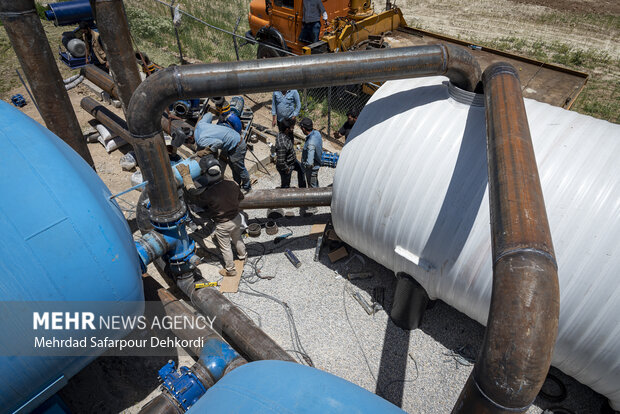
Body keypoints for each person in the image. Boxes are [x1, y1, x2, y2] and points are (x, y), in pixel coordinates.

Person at [176, 156, 247, 277]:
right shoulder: (232, 184)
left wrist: (186, 177)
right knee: (237, 238)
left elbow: (194, 193)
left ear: (205, 173)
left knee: (225, 248)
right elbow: (241, 198)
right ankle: (243, 257)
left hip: (223, 224)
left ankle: (230, 270)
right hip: (236, 218)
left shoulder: (208, 193)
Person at [194, 112, 251, 192]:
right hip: (234, 140)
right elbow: (209, 114)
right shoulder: (201, 124)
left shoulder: (201, 140)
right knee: (233, 166)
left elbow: (218, 143)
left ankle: (247, 187)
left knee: (239, 168)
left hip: (237, 145)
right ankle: (237, 185)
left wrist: (209, 150)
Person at [275, 118, 306, 189]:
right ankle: (284, 197)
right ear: (287, 129)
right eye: (292, 127)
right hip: (286, 166)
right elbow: (280, 161)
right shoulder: (282, 144)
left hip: (292, 161)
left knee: (301, 170)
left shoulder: (283, 134)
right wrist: (287, 169)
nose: (293, 128)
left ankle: (302, 188)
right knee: (285, 185)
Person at [299, 117, 322, 189]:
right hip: (317, 163)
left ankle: (318, 200)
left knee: (313, 188)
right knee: (315, 184)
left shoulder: (310, 143)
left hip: (311, 170)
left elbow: (309, 163)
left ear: (303, 128)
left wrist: (304, 165)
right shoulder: (317, 133)